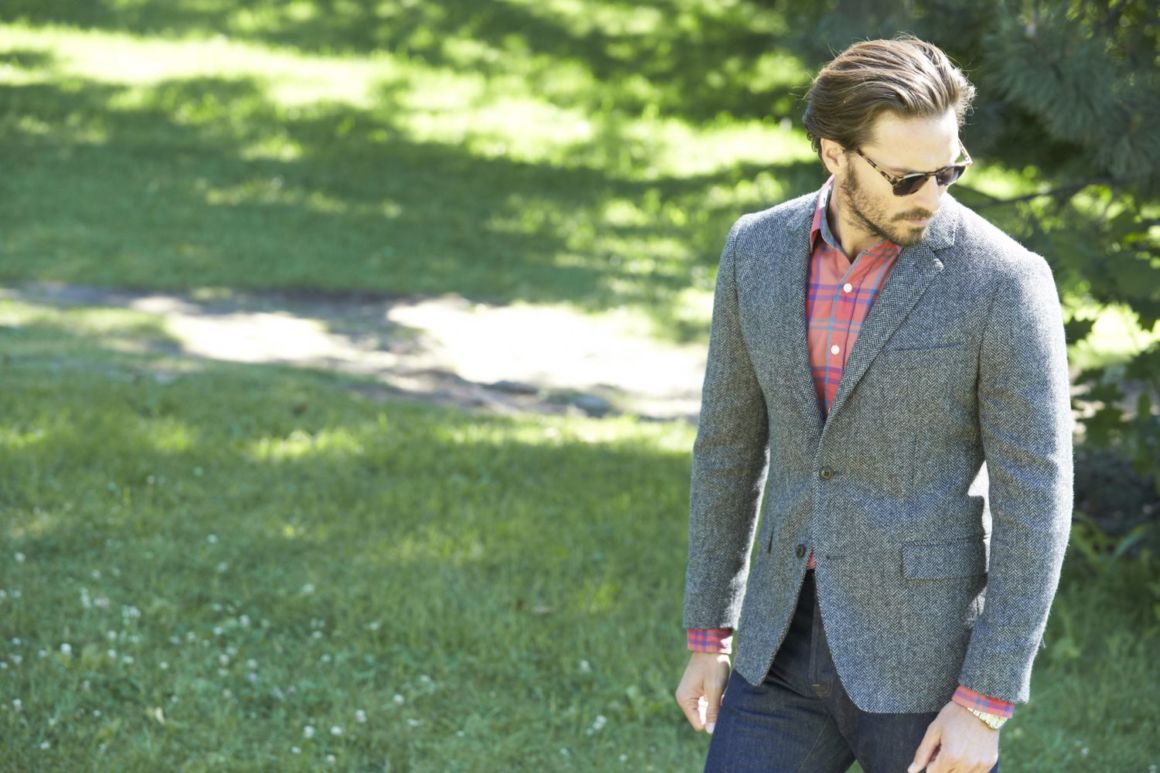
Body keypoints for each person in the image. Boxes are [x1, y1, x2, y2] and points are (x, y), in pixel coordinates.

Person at [674, 36, 1072, 773]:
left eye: (949, 171)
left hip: (925, 665)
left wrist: (985, 700)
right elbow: (727, 446)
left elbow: (1037, 499)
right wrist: (709, 634)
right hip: (778, 646)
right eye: (907, 177)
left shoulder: (1005, 282)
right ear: (836, 155)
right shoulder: (754, 251)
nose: (932, 196)